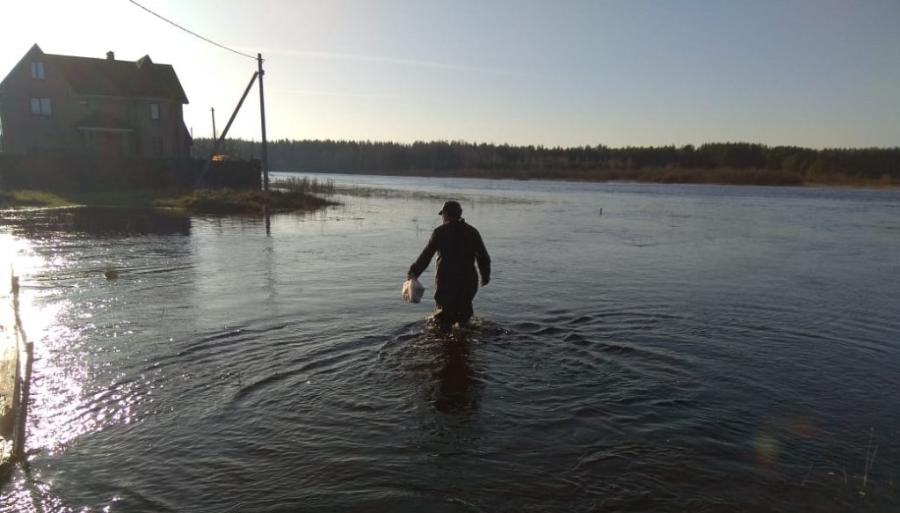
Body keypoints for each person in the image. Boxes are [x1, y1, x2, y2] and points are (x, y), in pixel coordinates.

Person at [408, 200, 491, 328]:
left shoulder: (440, 232)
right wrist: (485, 276)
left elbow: (426, 256)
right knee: (464, 317)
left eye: (443, 215)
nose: (442, 217)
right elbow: (483, 256)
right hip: (468, 281)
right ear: (459, 214)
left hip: (446, 280)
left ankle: (445, 343)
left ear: (446, 214)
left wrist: (413, 273)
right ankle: (464, 341)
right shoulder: (472, 232)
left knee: (443, 318)